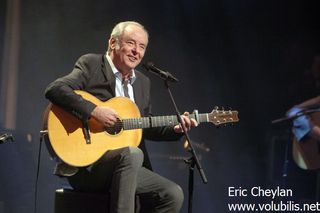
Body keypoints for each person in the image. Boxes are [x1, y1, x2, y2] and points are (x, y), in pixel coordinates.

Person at [45, 21, 197, 213]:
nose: (136, 51)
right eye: (131, 43)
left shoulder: (142, 82)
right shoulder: (91, 64)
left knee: (172, 194)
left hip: (126, 168)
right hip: (88, 167)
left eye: (142, 47)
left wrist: (174, 129)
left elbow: (143, 125)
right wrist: (94, 111)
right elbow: (55, 89)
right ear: (113, 43)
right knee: (132, 153)